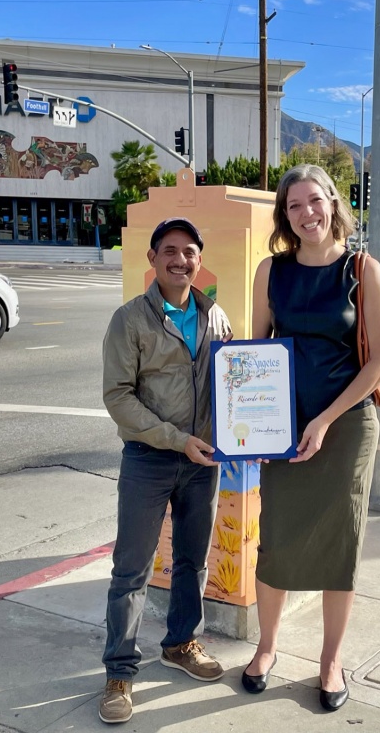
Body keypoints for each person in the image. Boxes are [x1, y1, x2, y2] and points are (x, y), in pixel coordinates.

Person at [242, 165, 380, 711]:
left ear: (333, 203)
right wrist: (255, 425)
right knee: (276, 538)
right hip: (283, 427)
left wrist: (326, 419)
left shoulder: (363, 270)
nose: (306, 213)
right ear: (284, 216)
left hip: (346, 425)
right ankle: (266, 648)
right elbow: (256, 352)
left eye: (314, 201)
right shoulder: (271, 271)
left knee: (339, 543)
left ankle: (331, 661)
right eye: (294, 205)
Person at [99, 217, 232, 725]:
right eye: (170, 251)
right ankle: (119, 672)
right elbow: (118, 397)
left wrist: (253, 435)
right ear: (152, 258)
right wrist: (178, 440)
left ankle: (181, 644)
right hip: (149, 459)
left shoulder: (214, 315)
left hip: (203, 463)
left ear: (200, 259)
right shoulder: (130, 319)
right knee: (131, 569)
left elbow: (233, 384)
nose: (180, 260)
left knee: (192, 562)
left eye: (189, 251)